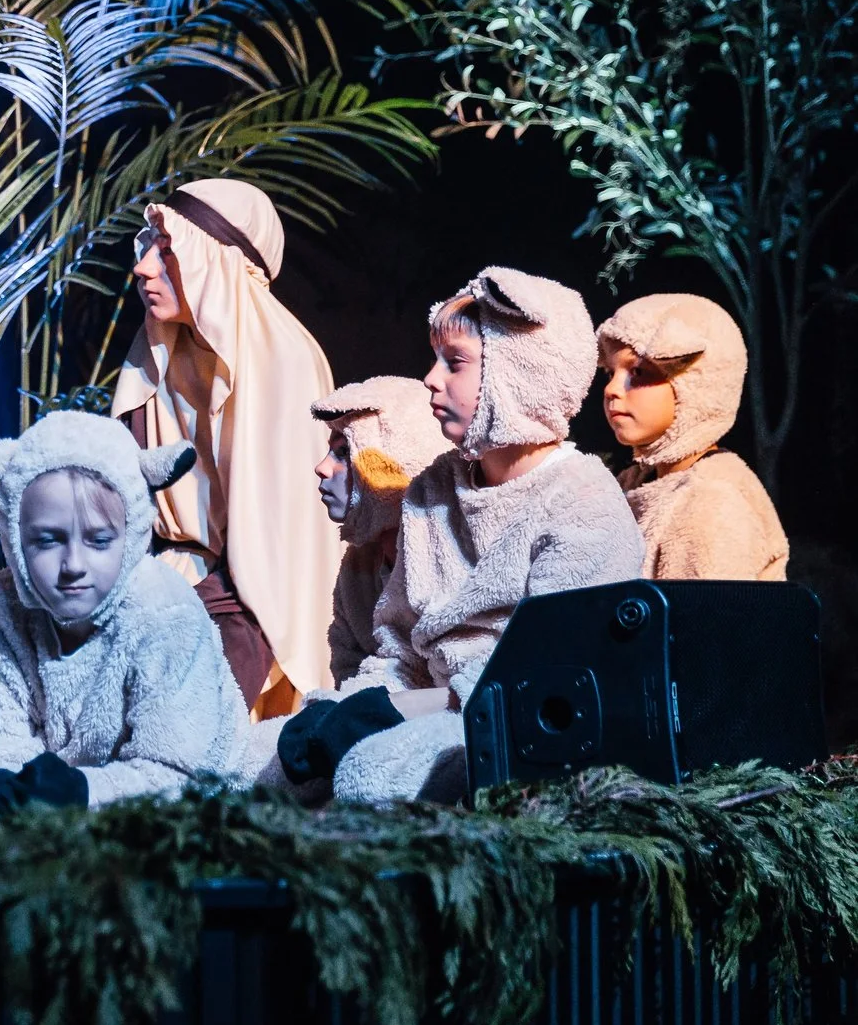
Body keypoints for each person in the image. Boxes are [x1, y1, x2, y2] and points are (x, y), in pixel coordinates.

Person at [276, 268, 645, 803]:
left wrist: (392, 712)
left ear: (519, 371)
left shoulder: (582, 500)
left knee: (368, 775)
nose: (431, 378)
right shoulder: (434, 488)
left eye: (456, 362)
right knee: (263, 767)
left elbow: (545, 680)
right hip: (425, 704)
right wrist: (350, 705)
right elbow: (398, 646)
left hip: (520, 731)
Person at [112, 179, 342, 713]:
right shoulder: (159, 351)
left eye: (168, 253)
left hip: (249, 606)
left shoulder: (283, 363)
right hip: (168, 581)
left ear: (218, 267)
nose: (144, 267)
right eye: (148, 248)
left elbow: (273, 561)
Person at [0, 412, 245, 812]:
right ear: (15, 538)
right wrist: (1, 795)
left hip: (195, 803)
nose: (73, 566)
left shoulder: (165, 612)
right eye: (48, 541)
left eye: (99, 541)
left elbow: (176, 773)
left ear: (132, 532)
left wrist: (71, 793)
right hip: (61, 790)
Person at [596, 293, 790, 581]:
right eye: (610, 372)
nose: (612, 389)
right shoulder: (641, 481)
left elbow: (701, 622)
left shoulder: (710, 501)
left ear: (695, 384)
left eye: (638, 372)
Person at [309, 377, 453, 689]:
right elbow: (348, 664)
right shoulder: (357, 569)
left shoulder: (449, 556)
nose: (322, 468)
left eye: (344, 452)